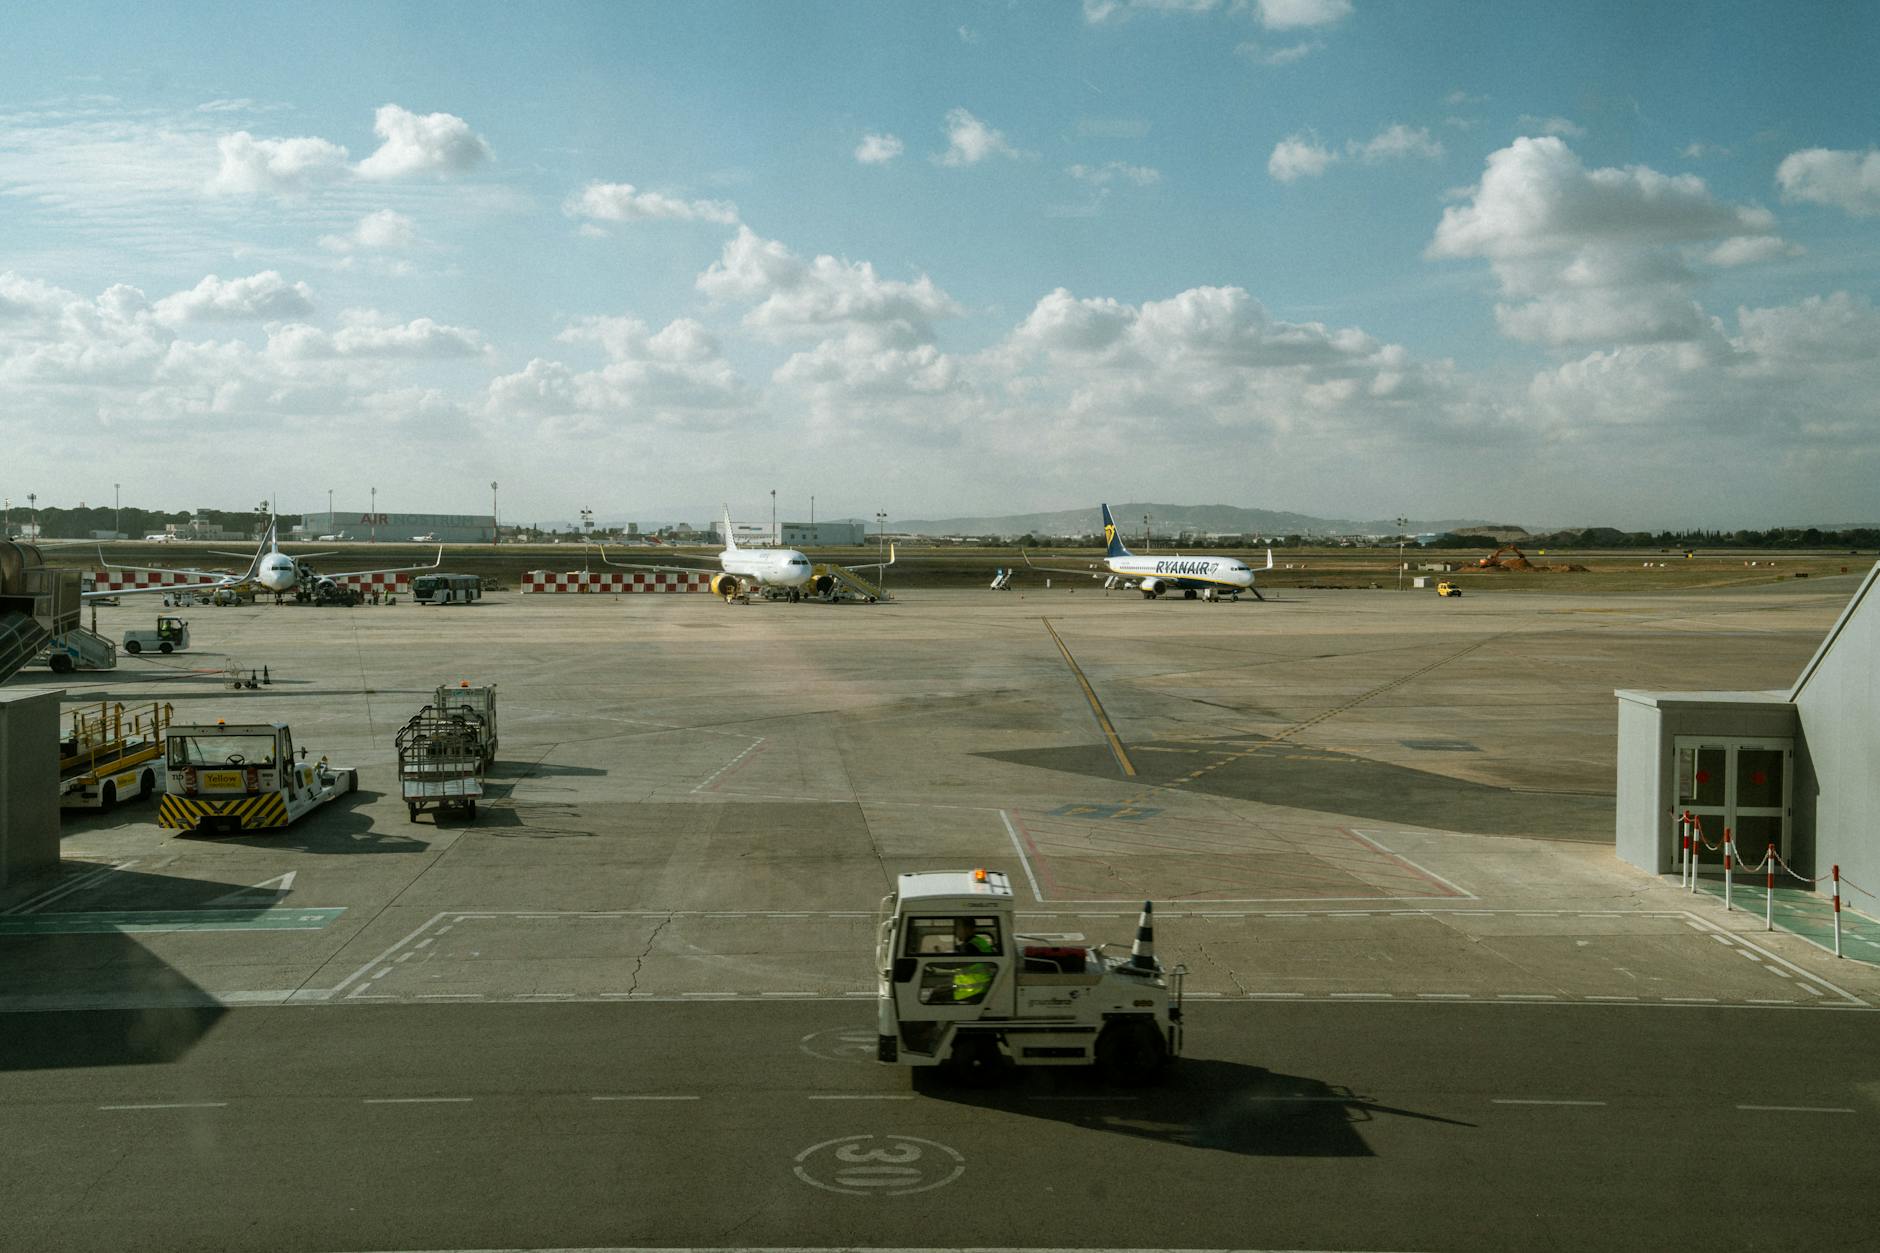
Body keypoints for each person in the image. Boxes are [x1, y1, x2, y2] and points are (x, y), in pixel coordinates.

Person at [949, 919, 997, 1004]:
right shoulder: (979, 942)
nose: (956, 932)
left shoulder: (970, 947)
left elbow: (957, 965)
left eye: (958, 929)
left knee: (936, 998)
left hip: (972, 992)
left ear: (968, 929)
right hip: (978, 988)